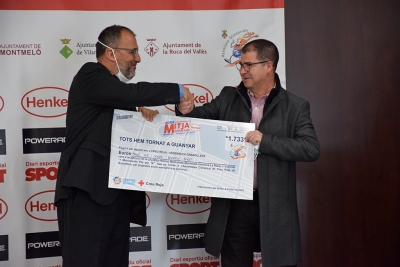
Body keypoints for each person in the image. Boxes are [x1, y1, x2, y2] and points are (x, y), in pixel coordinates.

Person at [55, 25, 192, 267]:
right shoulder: (90, 74)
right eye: (133, 51)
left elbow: (119, 111)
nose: (138, 58)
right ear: (110, 53)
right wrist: (177, 91)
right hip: (86, 193)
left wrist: (140, 118)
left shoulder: (115, 95)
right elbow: (130, 94)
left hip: (116, 195)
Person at [177, 39, 320, 267]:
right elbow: (198, 121)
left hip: (275, 204)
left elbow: (310, 148)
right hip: (235, 204)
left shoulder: (295, 106)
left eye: (248, 65)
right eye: (240, 65)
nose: (242, 71)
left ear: (268, 66)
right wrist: (186, 110)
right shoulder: (228, 97)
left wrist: (266, 141)